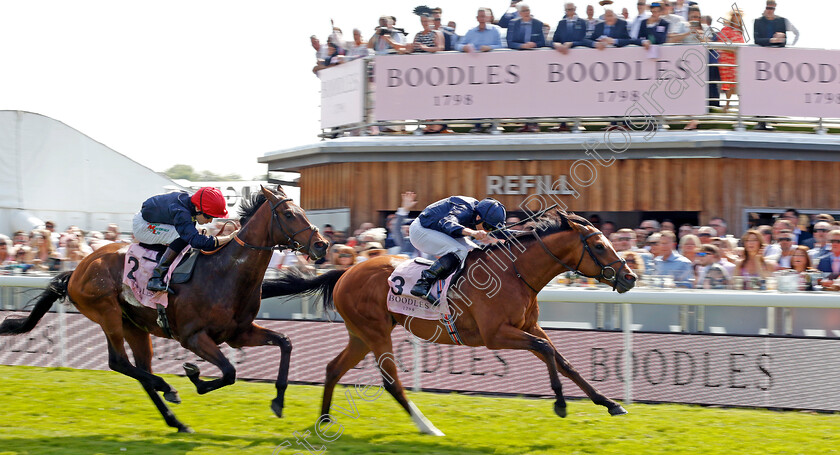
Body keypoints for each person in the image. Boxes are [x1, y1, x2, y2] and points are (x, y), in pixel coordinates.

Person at [409, 196, 510, 303]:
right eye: (488, 227)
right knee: (460, 250)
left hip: (439, 231)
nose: (490, 231)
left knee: (476, 253)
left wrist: (526, 234)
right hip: (421, 230)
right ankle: (423, 284)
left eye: (492, 228)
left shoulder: (479, 212)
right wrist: (472, 233)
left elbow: (502, 233)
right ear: (478, 218)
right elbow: (447, 223)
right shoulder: (463, 208)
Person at [133, 187, 234, 293]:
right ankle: (156, 278)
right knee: (182, 236)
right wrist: (228, 238)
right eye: (208, 216)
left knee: (186, 235)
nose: (210, 221)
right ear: (198, 209)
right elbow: (196, 241)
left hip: (154, 218)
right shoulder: (181, 212)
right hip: (142, 225)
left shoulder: (191, 205)